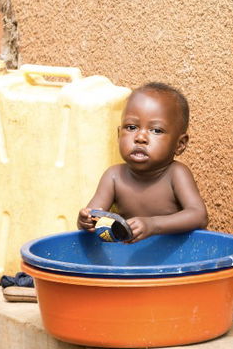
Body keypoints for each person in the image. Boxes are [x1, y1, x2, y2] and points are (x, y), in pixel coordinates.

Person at [77, 82, 208, 242]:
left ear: (179, 144)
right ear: (119, 135)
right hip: (131, 255)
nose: (140, 137)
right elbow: (95, 216)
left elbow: (198, 215)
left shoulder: (176, 174)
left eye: (156, 130)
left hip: (176, 255)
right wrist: (86, 221)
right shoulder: (114, 176)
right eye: (131, 127)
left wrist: (153, 225)